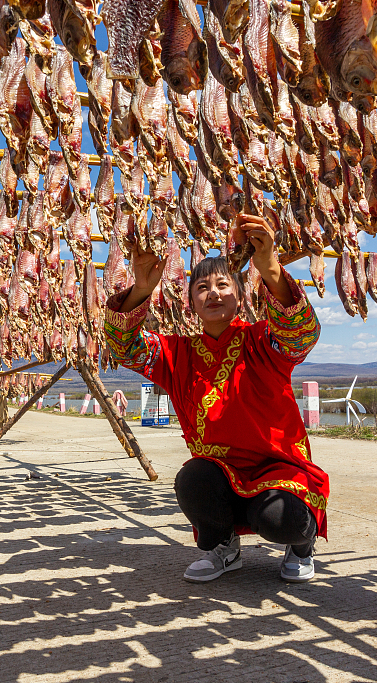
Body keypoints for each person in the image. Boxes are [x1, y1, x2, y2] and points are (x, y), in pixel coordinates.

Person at [103, 214, 329, 583]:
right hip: (219, 471)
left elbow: (302, 333)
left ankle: (301, 544)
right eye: (202, 287)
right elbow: (123, 347)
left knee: (278, 517)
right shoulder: (175, 354)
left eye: (224, 284)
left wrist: (269, 266)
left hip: (279, 469)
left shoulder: (266, 342)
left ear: (240, 297)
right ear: (190, 301)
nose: (213, 292)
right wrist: (141, 289)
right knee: (193, 479)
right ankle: (223, 547)